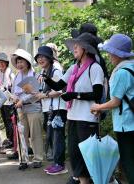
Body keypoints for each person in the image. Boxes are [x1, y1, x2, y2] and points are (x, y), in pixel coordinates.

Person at [43, 33, 105, 184]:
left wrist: (74, 95)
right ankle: (83, 181)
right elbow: (59, 86)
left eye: (78, 45)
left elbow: (97, 94)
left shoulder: (95, 68)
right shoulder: (74, 67)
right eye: (74, 46)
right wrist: (46, 78)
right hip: (73, 117)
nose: (74, 48)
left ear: (86, 49)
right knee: (75, 154)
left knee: (87, 157)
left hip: (88, 118)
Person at [91, 34, 134, 184]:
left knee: (129, 162)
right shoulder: (132, 67)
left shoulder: (122, 72)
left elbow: (115, 101)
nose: (108, 55)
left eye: (110, 52)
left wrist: (99, 107)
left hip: (126, 124)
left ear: (116, 53)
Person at [33, 46, 68, 175]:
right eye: (38, 57)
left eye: (43, 57)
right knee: (54, 137)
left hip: (58, 109)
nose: (40, 59)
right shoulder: (46, 71)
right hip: (51, 108)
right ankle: (56, 163)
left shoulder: (56, 70)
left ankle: (60, 165)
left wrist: (43, 95)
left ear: (49, 58)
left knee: (58, 137)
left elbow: (59, 90)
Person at [10, 49, 43, 169]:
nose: (19, 64)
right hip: (21, 110)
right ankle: (23, 159)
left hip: (34, 108)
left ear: (27, 62)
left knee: (35, 135)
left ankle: (38, 158)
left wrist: (21, 100)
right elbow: (14, 91)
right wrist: (14, 98)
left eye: (21, 61)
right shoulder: (17, 76)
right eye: (17, 62)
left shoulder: (34, 74)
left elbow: (34, 92)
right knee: (22, 135)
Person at [0, 52, 15, 149]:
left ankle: (12, 139)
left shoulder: (10, 72)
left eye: (3, 62)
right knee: (5, 121)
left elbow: (14, 85)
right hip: (1, 100)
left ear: (6, 63)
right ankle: (9, 138)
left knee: (9, 120)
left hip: (9, 100)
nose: (1, 64)